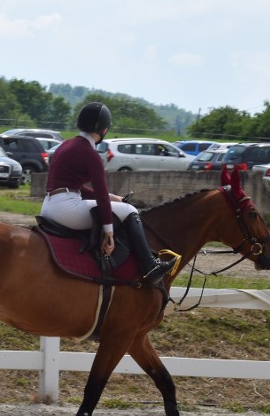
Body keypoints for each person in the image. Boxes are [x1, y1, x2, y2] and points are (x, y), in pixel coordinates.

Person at [41, 102, 176, 285]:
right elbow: (101, 193)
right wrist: (109, 231)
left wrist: (112, 198)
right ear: (104, 129)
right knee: (129, 210)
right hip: (67, 209)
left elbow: (79, 188)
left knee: (119, 205)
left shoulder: (66, 144)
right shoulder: (90, 153)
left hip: (49, 206)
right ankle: (151, 266)